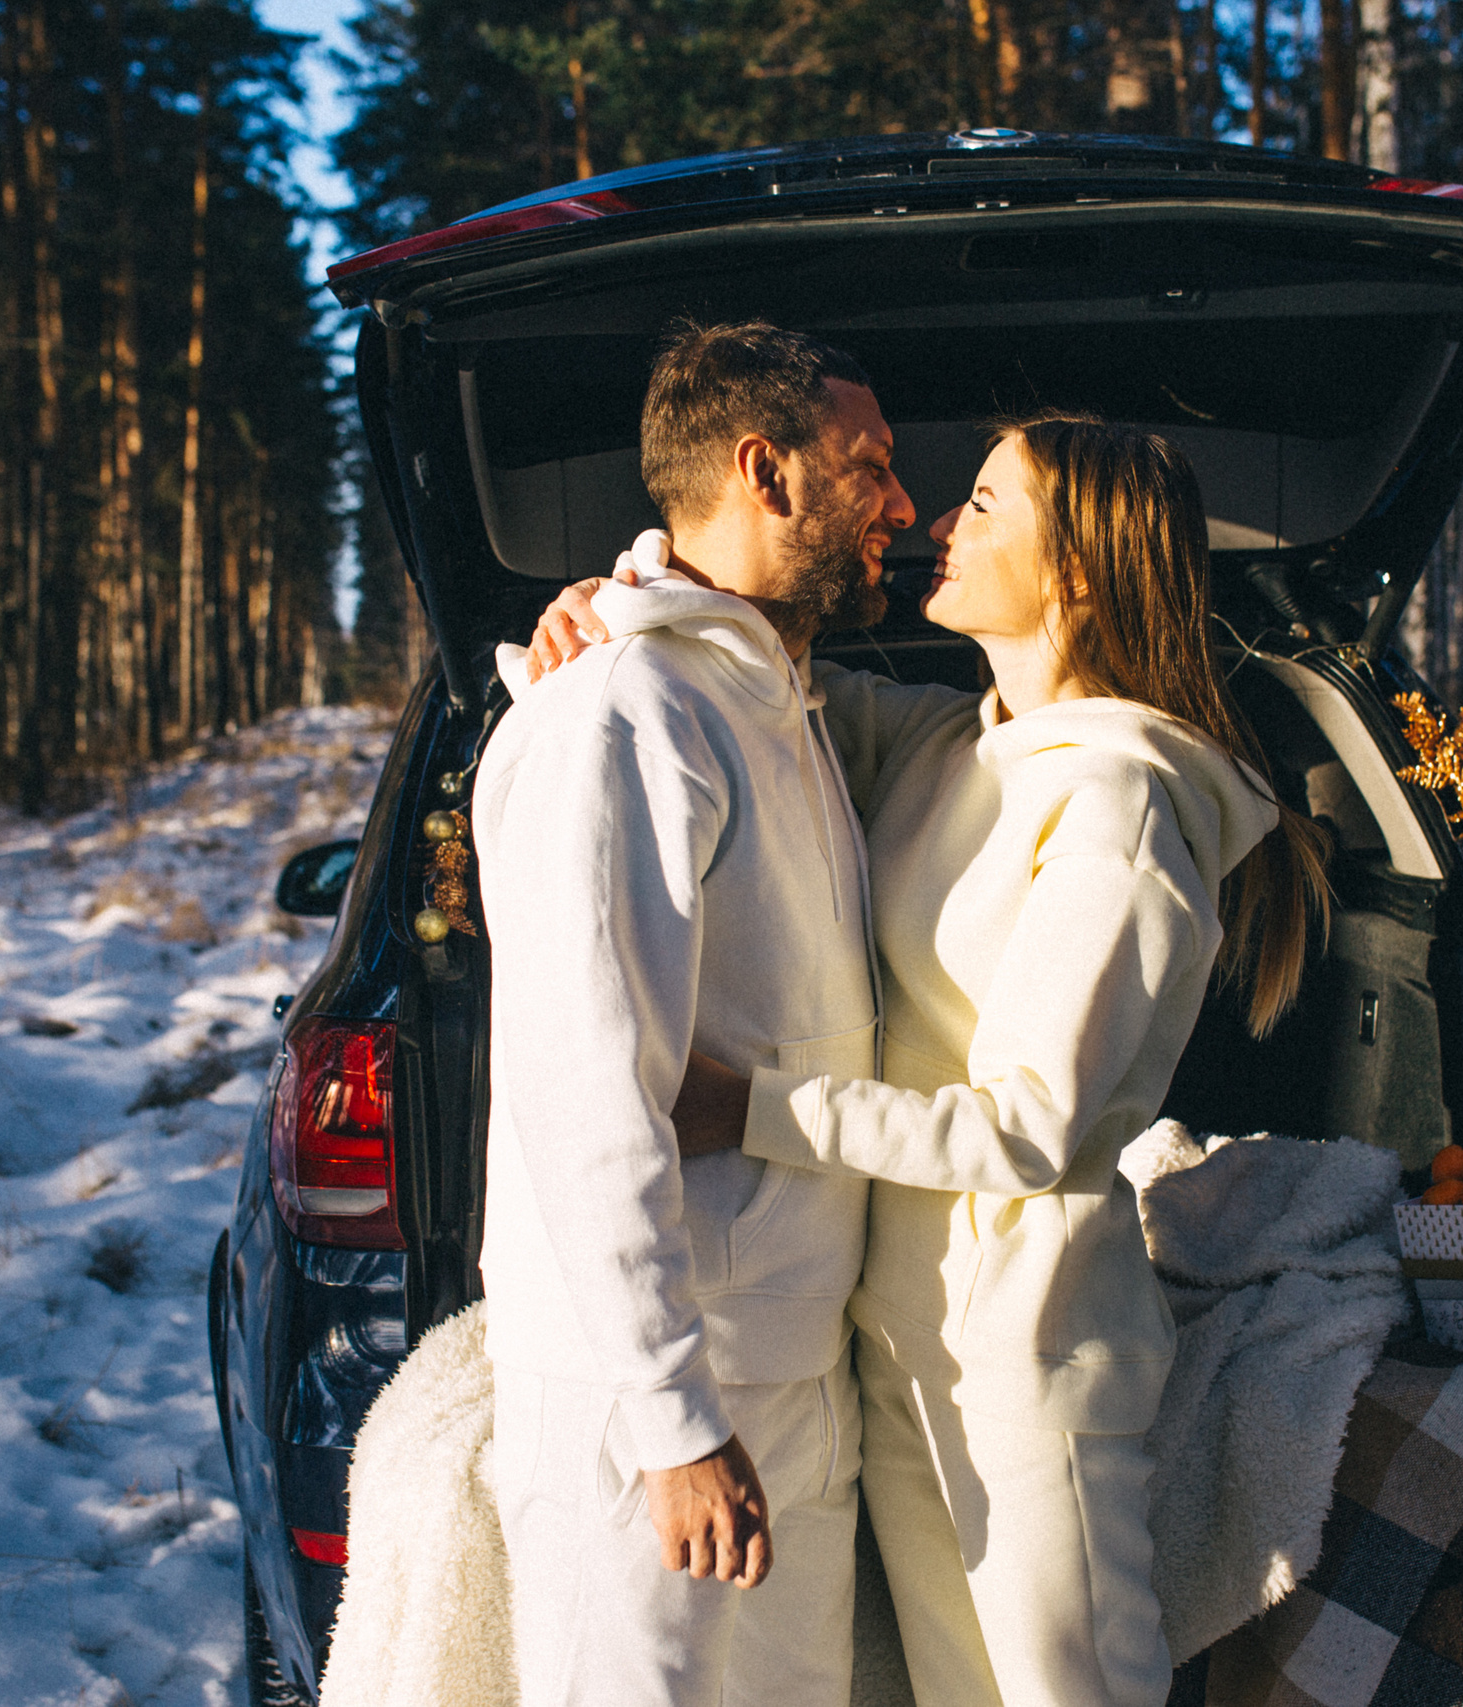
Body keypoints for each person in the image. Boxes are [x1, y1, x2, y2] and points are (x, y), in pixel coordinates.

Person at [528, 409, 1331, 1707]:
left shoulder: (1120, 804)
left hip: (1026, 1361)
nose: (942, 525)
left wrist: (753, 1109)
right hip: (897, 1341)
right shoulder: (959, 746)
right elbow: (743, 678)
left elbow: (1028, 1129)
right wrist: (615, 602)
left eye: (986, 503)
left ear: (1077, 569)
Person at [469, 318, 913, 1707]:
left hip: (782, 1361)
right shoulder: (623, 716)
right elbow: (585, 1086)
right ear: (765, 471)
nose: (903, 501)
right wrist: (668, 1423)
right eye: (872, 466)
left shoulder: (768, 700)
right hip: (652, 1400)